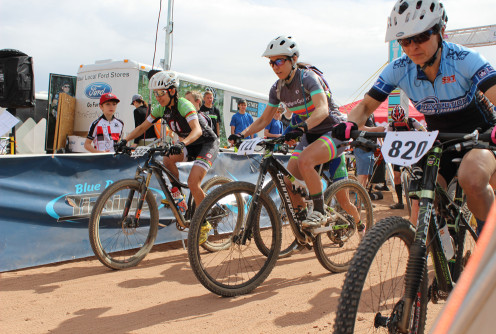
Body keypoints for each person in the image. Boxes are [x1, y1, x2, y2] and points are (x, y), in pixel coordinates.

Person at [332, 0, 496, 235]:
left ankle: (487, 252)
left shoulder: (464, 59)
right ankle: (435, 259)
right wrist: (349, 123)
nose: (412, 47)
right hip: (442, 140)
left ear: (441, 31)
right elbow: (366, 106)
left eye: (421, 37)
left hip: (480, 134)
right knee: (421, 201)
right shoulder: (399, 68)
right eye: (405, 41)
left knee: (472, 178)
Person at [229, 35, 346, 229]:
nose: (275, 66)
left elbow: (322, 109)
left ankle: (322, 212)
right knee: (288, 180)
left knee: (306, 161)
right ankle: (302, 225)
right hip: (310, 133)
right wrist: (242, 134)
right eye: (271, 63)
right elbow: (264, 119)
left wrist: (302, 127)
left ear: (293, 60)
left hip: (332, 130)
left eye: (279, 61)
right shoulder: (277, 88)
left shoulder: (308, 78)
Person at [117, 71, 219, 243]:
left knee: (194, 183)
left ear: (172, 91)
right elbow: (142, 127)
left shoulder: (184, 105)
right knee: (167, 159)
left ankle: (204, 223)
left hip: (206, 143)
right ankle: (177, 195)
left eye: (160, 93)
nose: (157, 97)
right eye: (155, 93)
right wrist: (124, 140)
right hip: (188, 143)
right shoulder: (161, 108)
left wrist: (182, 143)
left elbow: (197, 131)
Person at [387, 105, 426, 211]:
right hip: (399, 152)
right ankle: (400, 202)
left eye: (401, 121)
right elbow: (386, 137)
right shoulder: (391, 125)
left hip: (412, 151)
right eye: (396, 121)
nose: (398, 123)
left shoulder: (412, 121)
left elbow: (424, 130)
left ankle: (420, 199)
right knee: (396, 175)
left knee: (417, 173)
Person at [353, 114, 385, 189]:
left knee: (366, 175)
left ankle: (362, 198)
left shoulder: (371, 114)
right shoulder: (363, 112)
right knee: (362, 175)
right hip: (362, 147)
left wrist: (381, 142)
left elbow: (373, 128)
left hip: (370, 147)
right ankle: (358, 198)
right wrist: (376, 129)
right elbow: (360, 128)